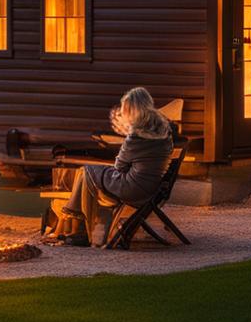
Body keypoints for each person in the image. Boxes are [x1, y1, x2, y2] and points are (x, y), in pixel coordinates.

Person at [52, 87, 174, 247]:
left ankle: (79, 229)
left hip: (133, 189)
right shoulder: (164, 129)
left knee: (86, 171)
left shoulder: (137, 136)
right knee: (86, 172)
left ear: (132, 110)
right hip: (152, 188)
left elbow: (119, 166)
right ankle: (78, 230)